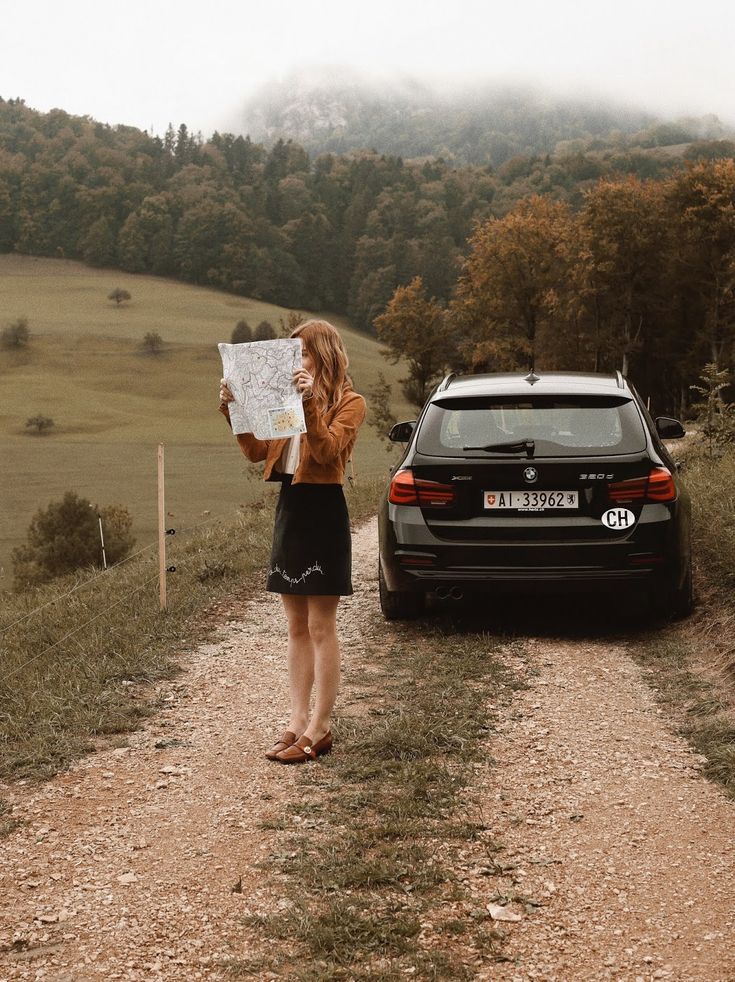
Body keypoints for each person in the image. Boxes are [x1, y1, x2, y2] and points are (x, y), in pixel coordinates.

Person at [218, 320, 366, 764]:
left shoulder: (350, 403)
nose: (293, 362)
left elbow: (326, 453)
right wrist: (234, 409)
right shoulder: (286, 401)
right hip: (291, 511)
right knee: (296, 628)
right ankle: (297, 719)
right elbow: (258, 451)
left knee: (322, 626)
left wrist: (312, 405)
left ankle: (321, 726)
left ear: (322, 355)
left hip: (324, 513)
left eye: (300, 353)